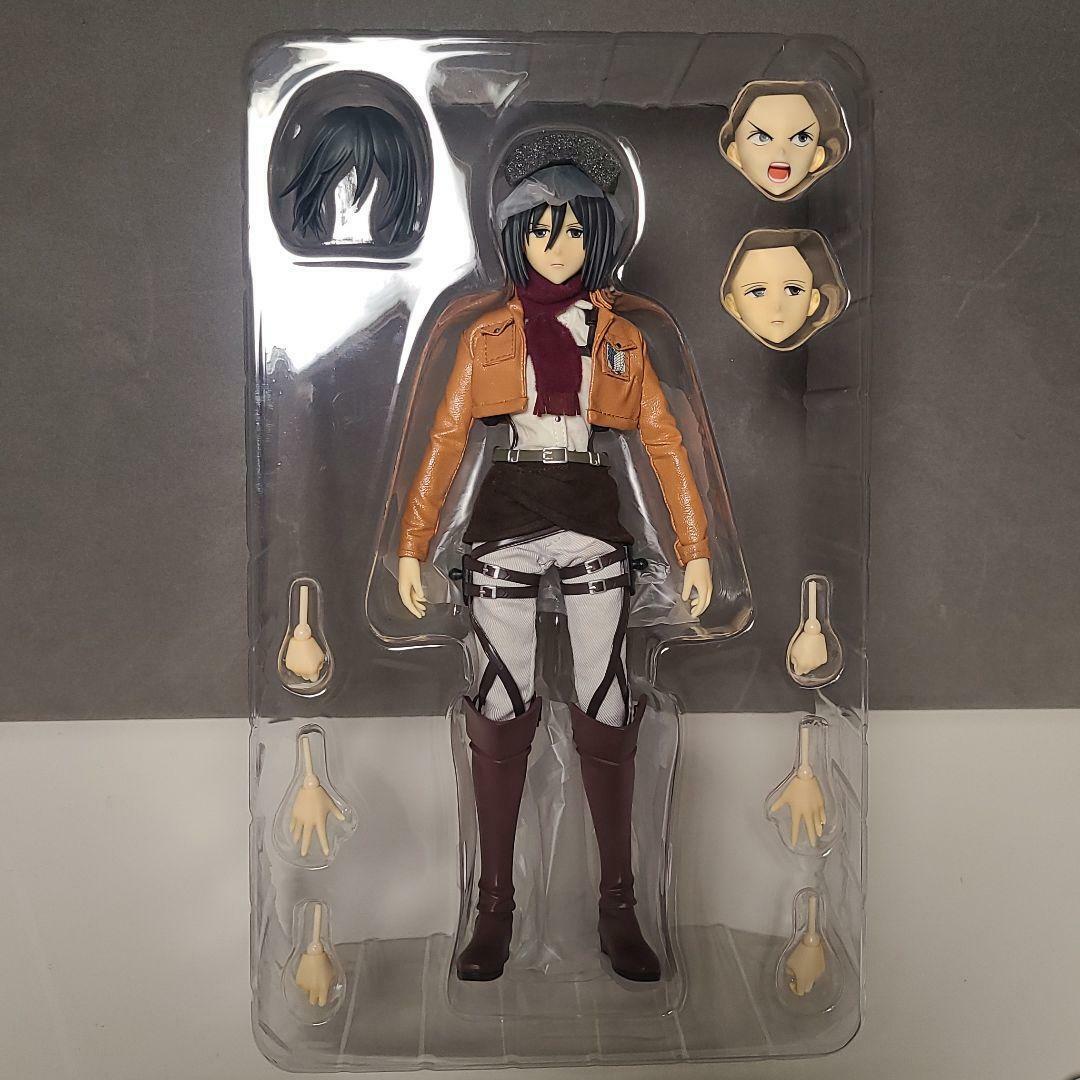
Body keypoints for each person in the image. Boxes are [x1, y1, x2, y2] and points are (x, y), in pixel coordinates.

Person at [396, 130, 713, 983]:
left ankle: (620, 907)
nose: (558, 245)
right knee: (502, 700)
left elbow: (664, 443)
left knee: (606, 699)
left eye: (573, 230)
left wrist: (694, 547)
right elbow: (446, 439)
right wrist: (414, 545)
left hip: (588, 505)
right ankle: (494, 907)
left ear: (597, 235)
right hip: (507, 506)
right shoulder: (487, 335)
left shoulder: (620, 337)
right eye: (541, 230)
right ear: (515, 237)